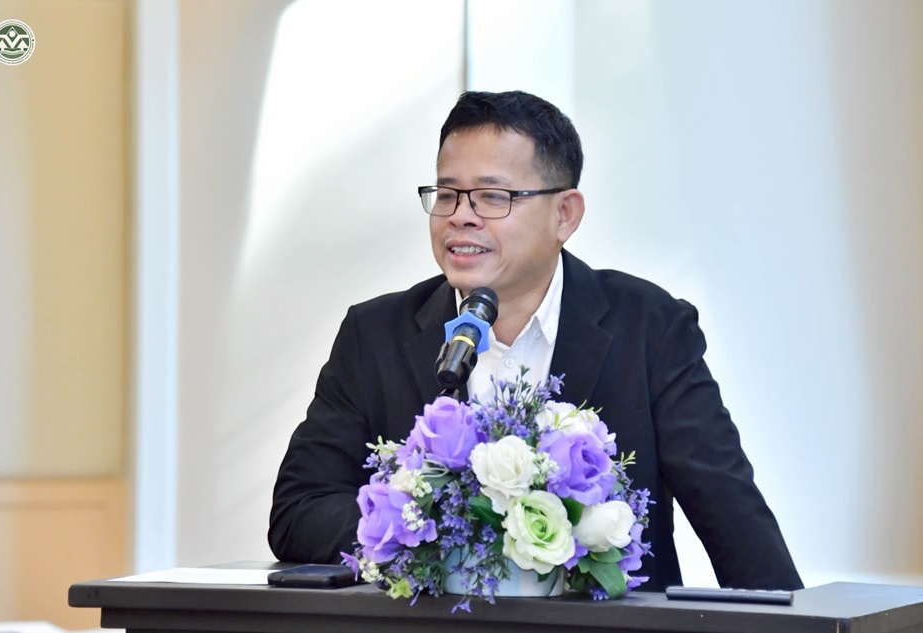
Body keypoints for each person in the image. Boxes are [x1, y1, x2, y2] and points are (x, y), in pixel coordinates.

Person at [268, 90, 803, 592]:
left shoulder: (648, 328)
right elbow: (298, 511)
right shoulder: (375, 335)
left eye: (492, 196)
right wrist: (435, 516)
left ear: (564, 214)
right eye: (447, 194)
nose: (461, 216)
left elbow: (732, 518)